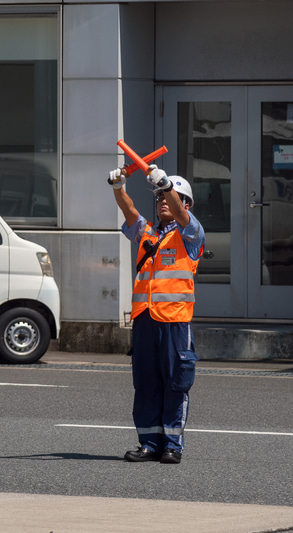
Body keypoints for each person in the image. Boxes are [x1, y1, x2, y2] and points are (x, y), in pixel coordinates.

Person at [108, 163, 205, 464]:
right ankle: (149, 443)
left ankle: (172, 445)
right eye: (160, 196)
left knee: (176, 382)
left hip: (175, 321)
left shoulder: (191, 234)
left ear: (185, 203)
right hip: (146, 319)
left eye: (170, 196)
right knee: (147, 382)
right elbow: (130, 212)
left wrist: (166, 185)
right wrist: (117, 187)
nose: (163, 200)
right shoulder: (148, 233)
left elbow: (180, 215)